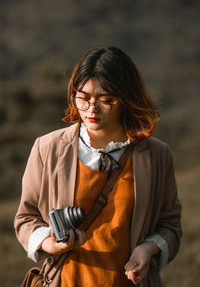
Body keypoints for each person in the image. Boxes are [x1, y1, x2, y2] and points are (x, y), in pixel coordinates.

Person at [14, 46, 182, 287]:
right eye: (83, 97)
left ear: (126, 99)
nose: (91, 109)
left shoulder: (156, 155)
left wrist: (148, 248)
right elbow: (25, 217)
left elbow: (171, 225)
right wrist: (49, 243)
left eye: (106, 100)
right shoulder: (47, 148)